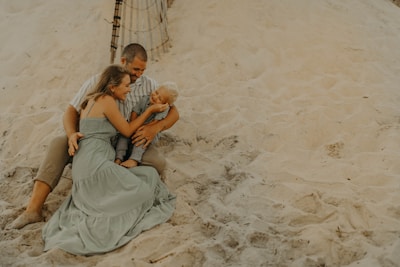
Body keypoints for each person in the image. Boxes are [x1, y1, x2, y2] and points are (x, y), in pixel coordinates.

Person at [8, 43, 179, 229]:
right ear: (123, 61)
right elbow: (70, 111)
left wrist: (156, 127)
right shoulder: (99, 81)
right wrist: (72, 134)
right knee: (58, 143)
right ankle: (33, 209)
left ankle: (112, 186)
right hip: (95, 137)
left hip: (129, 140)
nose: (139, 74)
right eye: (136, 69)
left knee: (158, 163)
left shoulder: (150, 85)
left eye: (143, 70)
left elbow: (174, 112)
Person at [42, 64, 176, 255]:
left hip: (90, 161)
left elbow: (173, 109)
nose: (129, 90)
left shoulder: (94, 99)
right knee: (144, 190)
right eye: (126, 86)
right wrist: (149, 111)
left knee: (147, 174)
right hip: (95, 163)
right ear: (113, 87)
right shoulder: (106, 101)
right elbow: (127, 130)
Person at [115, 82, 179, 168]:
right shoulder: (145, 99)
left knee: (142, 140)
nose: (155, 96)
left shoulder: (162, 109)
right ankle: (119, 158)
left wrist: (144, 129)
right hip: (133, 126)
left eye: (159, 98)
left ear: (165, 104)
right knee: (123, 137)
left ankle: (134, 159)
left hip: (148, 131)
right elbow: (135, 111)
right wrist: (133, 124)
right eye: (156, 92)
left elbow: (154, 123)